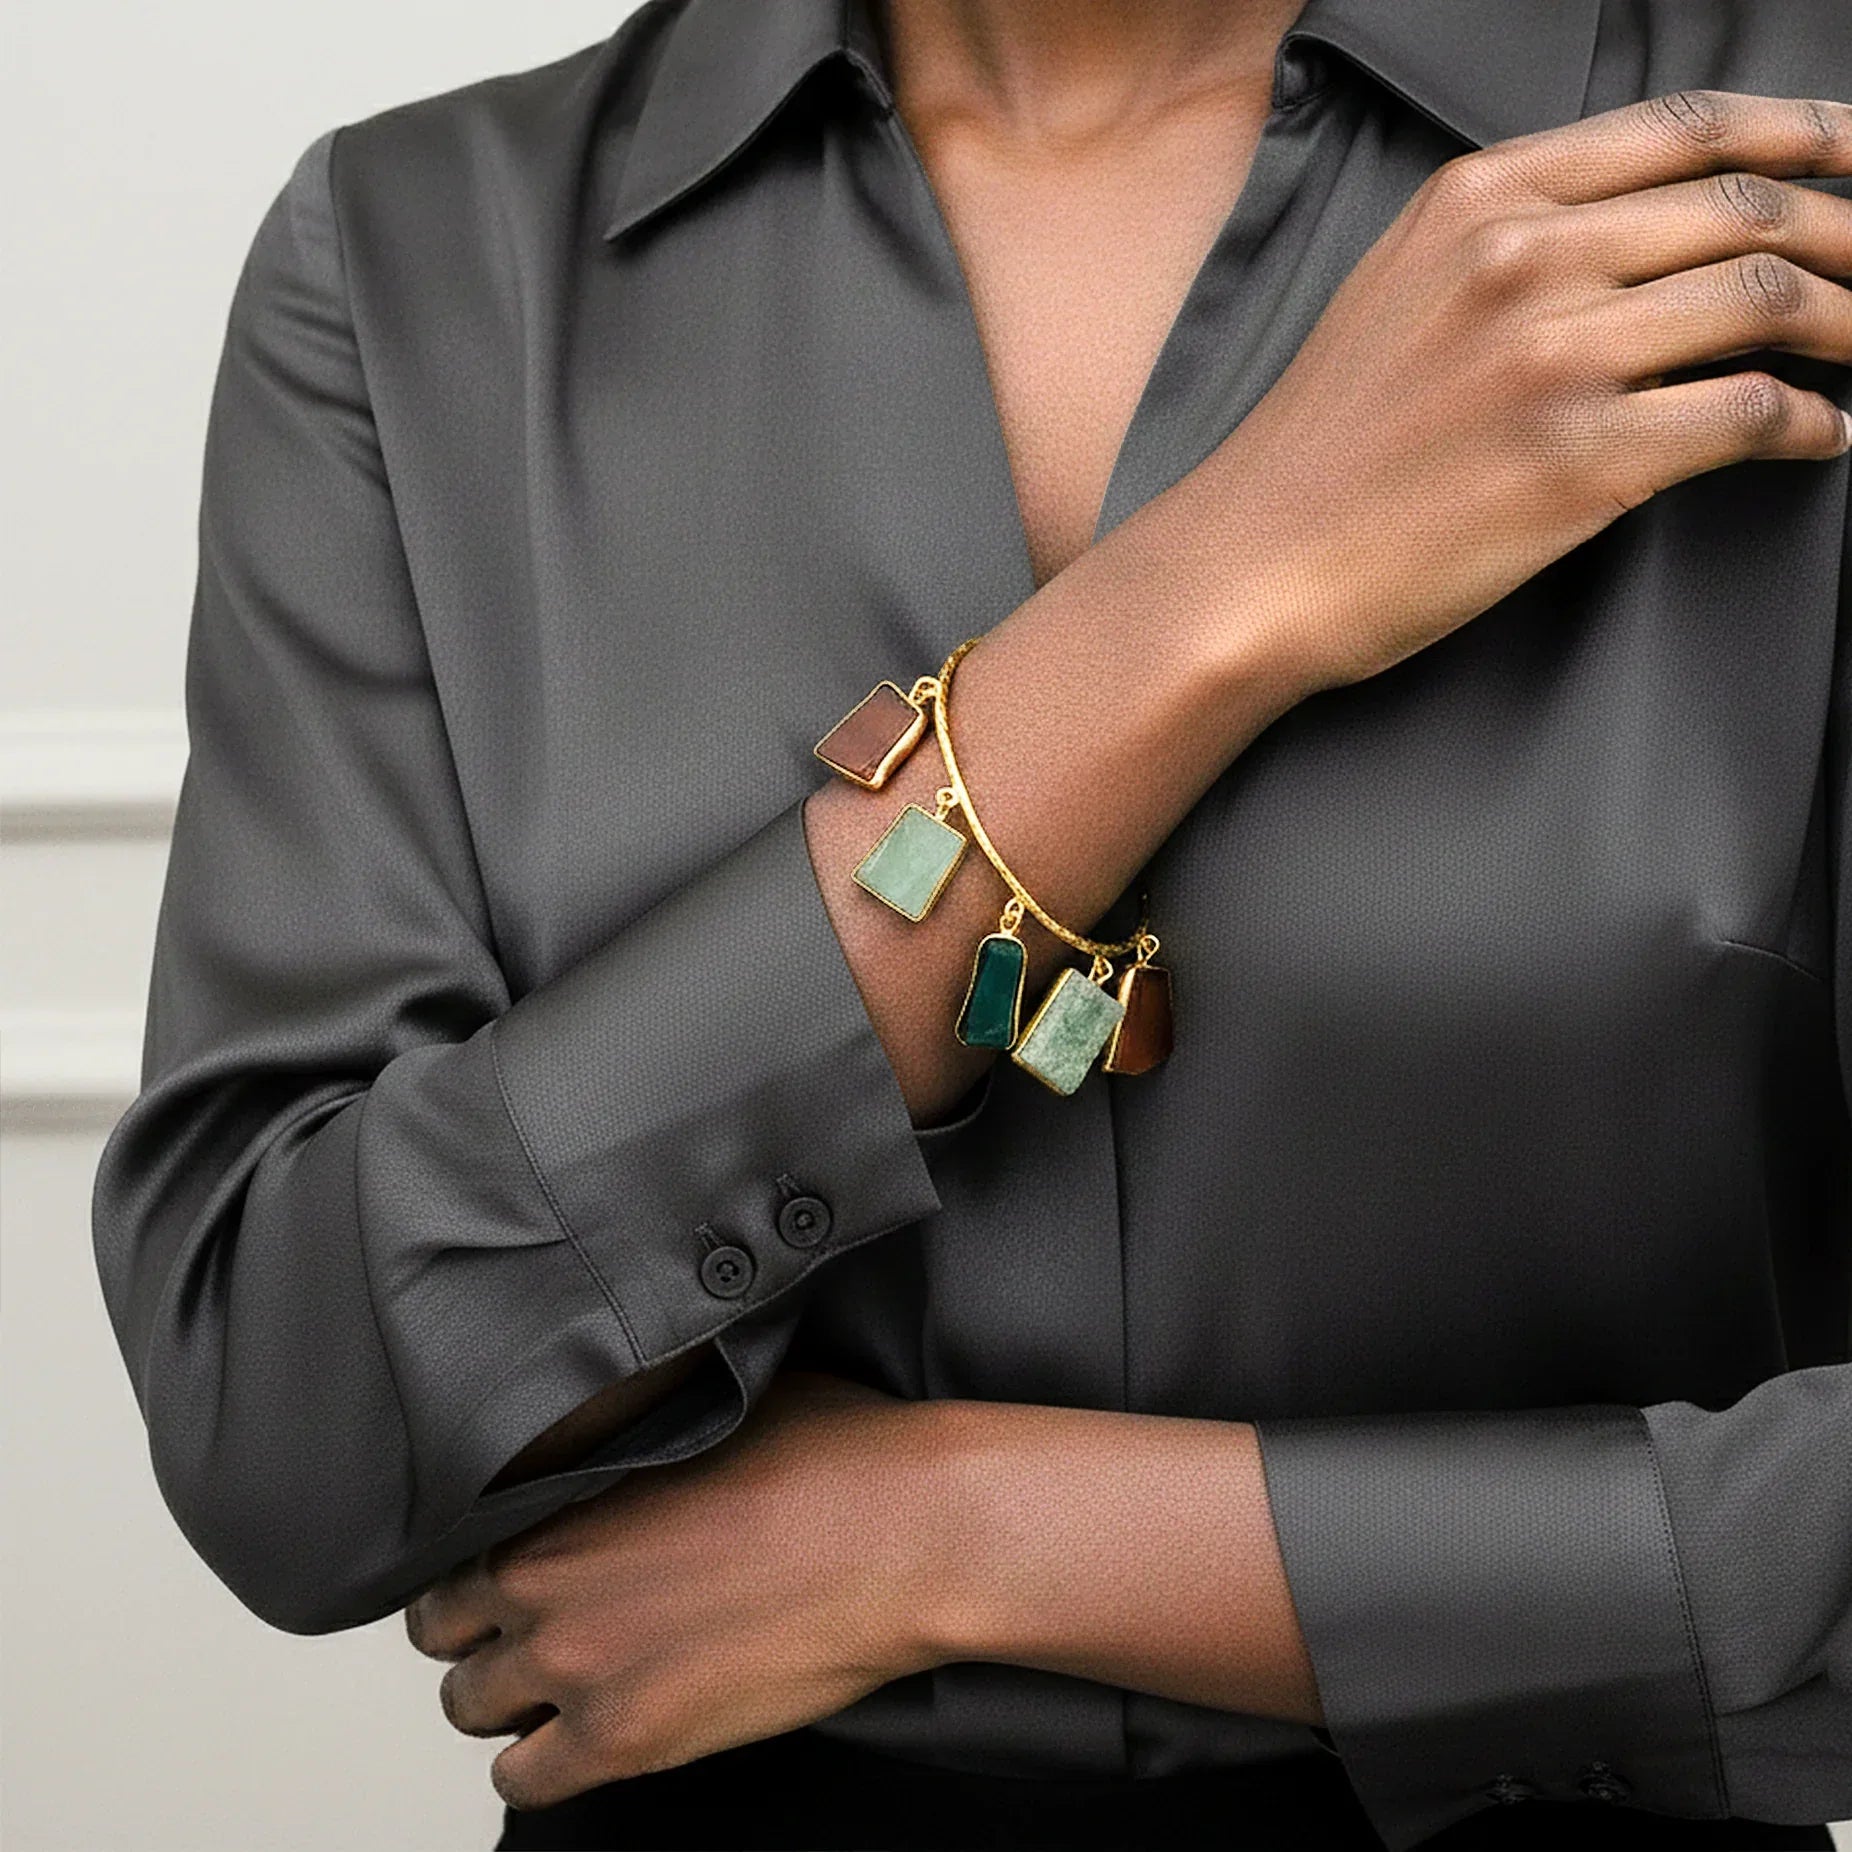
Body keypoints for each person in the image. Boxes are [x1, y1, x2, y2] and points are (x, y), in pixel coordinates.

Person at [90, 0, 1852, 1847]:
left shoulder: (1790, 165)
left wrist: (972, 1539)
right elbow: (286, 1421)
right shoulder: (422, 258)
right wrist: (1212, 587)